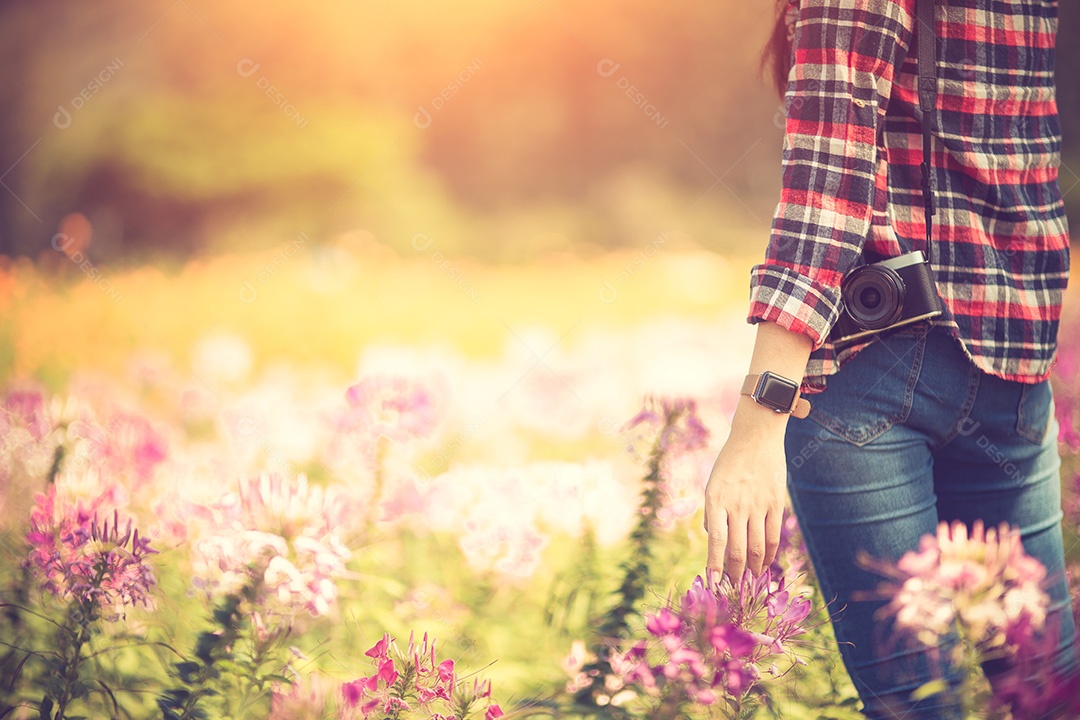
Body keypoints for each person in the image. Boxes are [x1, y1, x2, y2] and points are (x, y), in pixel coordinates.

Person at [703, 0, 1078, 717]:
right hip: (1013, 358)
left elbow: (824, 192)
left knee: (916, 704)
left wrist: (757, 425)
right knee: (1043, 695)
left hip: (875, 376)